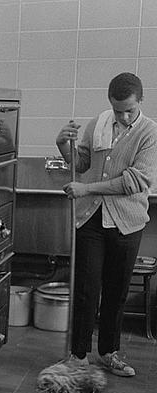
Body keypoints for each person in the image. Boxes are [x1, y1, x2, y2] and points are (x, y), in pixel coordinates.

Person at [55, 72, 157, 377]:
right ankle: (78, 356)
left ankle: (109, 352)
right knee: (86, 289)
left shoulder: (150, 133)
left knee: (116, 290)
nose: (123, 116)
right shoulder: (98, 123)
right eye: (117, 110)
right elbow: (82, 164)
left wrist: (86, 189)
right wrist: (63, 145)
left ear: (141, 100)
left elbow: (135, 181)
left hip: (127, 222)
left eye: (129, 109)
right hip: (91, 217)